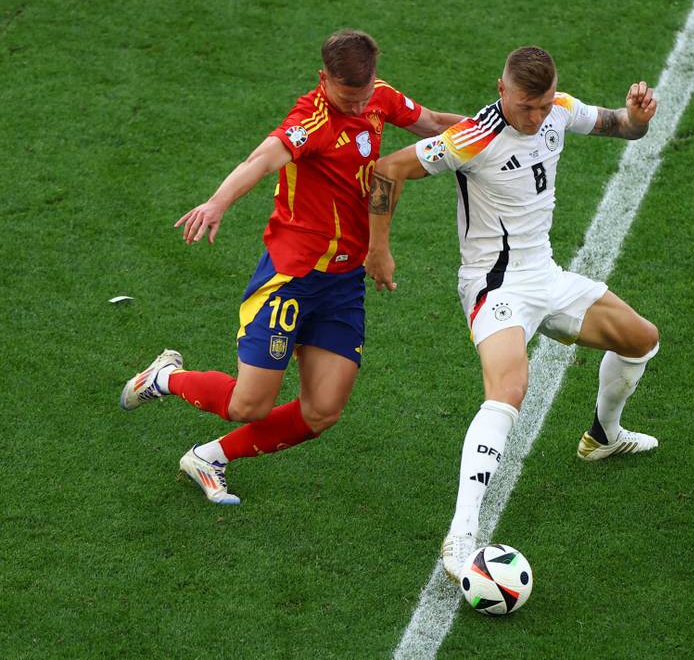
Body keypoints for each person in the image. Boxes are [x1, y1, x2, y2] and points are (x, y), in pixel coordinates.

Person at [120, 30, 464, 505]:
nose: (359, 105)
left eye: (364, 95)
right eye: (348, 95)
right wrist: (218, 202)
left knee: (322, 411)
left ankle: (210, 457)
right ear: (323, 78)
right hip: (292, 279)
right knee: (248, 404)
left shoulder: (378, 98)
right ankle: (163, 378)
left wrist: (496, 129)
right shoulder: (311, 120)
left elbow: (433, 123)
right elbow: (261, 160)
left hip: (342, 284)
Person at [364, 46, 660, 579]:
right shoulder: (472, 138)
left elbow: (620, 126)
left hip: (545, 275)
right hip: (494, 286)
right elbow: (388, 170)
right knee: (509, 391)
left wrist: (637, 118)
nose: (539, 117)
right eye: (529, 106)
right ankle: (461, 536)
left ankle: (603, 437)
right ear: (503, 91)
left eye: (545, 105)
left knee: (641, 339)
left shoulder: (559, 108)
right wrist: (378, 248)